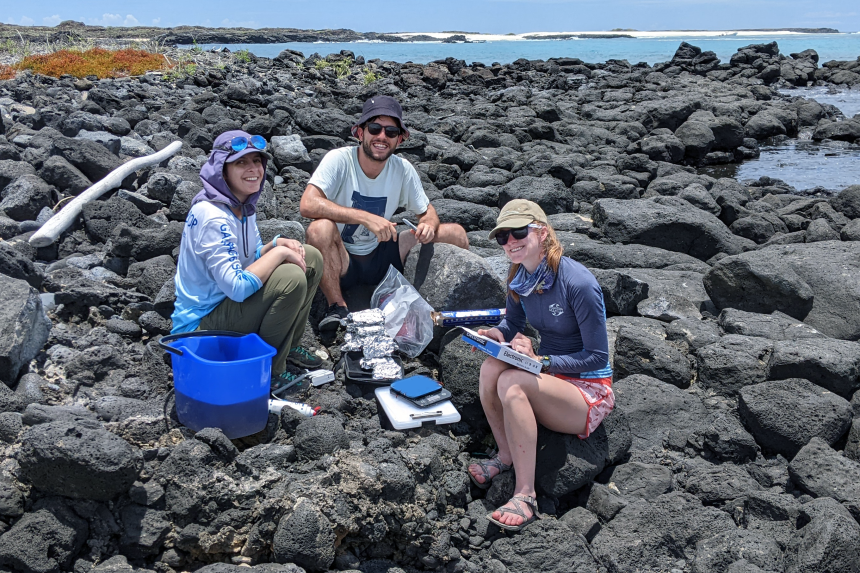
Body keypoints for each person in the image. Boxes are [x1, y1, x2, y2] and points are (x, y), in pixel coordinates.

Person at [466, 199, 614, 532]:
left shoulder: (578, 283)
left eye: (518, 232)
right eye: (502, 237)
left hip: (587, 389)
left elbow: (598, 357)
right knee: (491, 367)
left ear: (542, 233)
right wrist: (496, 334)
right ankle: (505, 455)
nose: (510, 242)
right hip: (550, 377)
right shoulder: (520, 276)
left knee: (512, 384)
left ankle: (525, 495)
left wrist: (541, 362)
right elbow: (512, 323)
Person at [300, 95, 469, 331]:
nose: (382, 137)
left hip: (382, 255)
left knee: (456, 233)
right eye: (375, 128)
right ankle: (337, 306)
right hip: (341, 258)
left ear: (399, 139)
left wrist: (428, 225)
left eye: (390, 132)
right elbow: (308, 204)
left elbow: (427, 211)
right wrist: (364, 217)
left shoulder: (402, 169)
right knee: (319, 229)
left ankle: (448, 305)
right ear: (360, 133)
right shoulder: (339, 160)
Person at [171, 130, 324, 389]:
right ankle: (270, 371)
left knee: (310, 257)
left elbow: (248, 258)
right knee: (291, 278)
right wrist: (278, 254)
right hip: (200, 327)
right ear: (222, 170)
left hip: (227, 306)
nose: (253, 169)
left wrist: (276, 244)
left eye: (256, 161)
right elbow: (238, 288)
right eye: (241, 162)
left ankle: (289, 346)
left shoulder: (240, 204)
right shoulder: (212, 216)